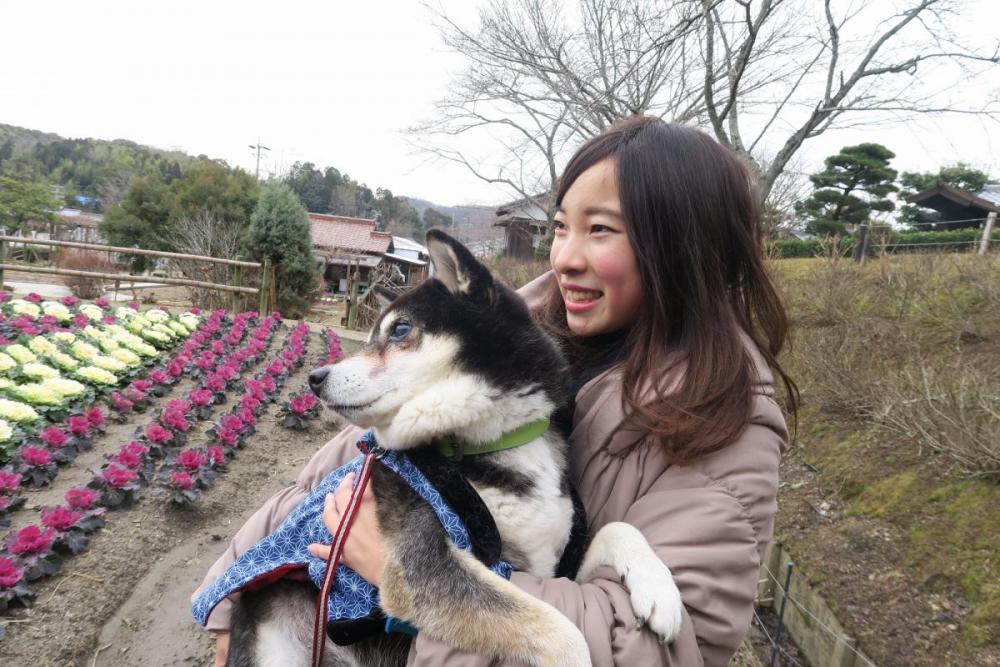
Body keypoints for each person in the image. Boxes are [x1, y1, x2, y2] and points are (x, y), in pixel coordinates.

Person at [194, 116, 796, 666]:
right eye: (560, 227)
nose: (565, 258)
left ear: (680, 247)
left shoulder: (725, 423)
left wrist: (412, 576)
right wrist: (235, 600)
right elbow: (321, 484)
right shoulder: (492, 344)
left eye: (600, 230)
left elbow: (659, 647)